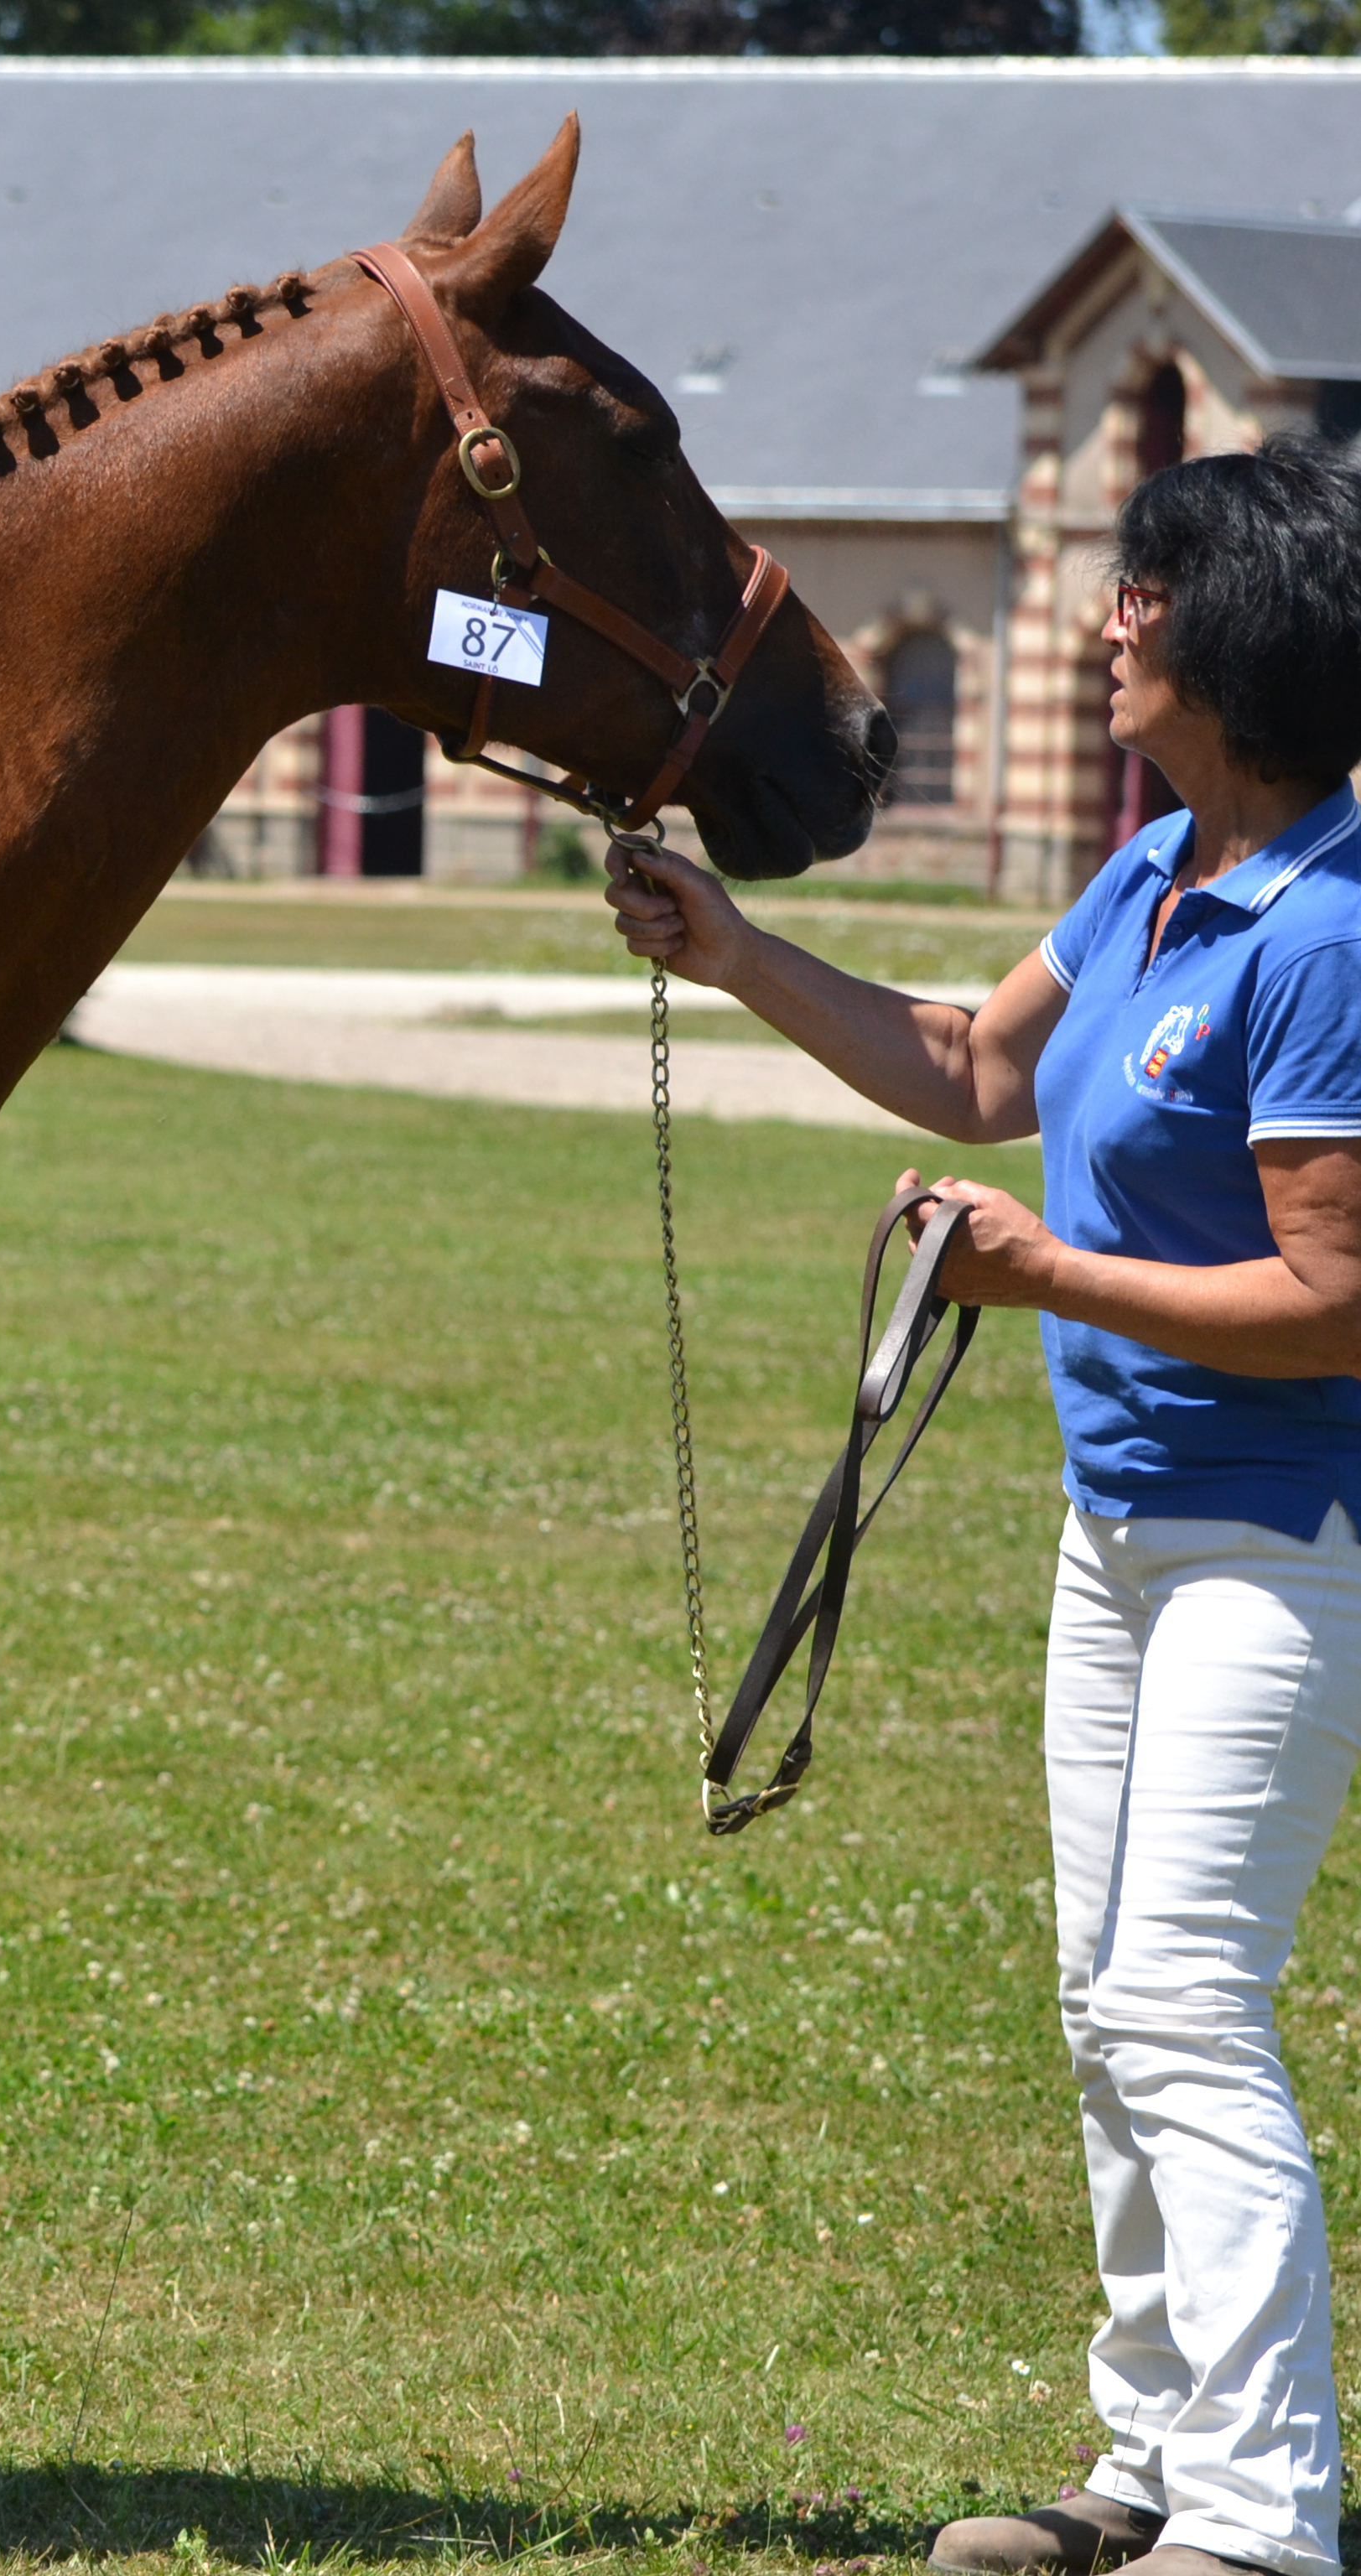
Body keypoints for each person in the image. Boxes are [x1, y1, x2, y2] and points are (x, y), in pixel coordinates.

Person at [606, 433, 1361, 2576]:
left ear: (1247, 640)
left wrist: (1043, 1269)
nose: (1117, 615)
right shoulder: (1147, 874)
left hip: (1280, 1551)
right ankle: (1146, 2467)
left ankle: (1262, 2517)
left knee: (1184, 1999)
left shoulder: (1328, 935)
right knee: (1097, 1996)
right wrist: (739, 954)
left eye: (1151, 589)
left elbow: (1339, 1300)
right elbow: (975, 1069)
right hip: (1119, 1531)